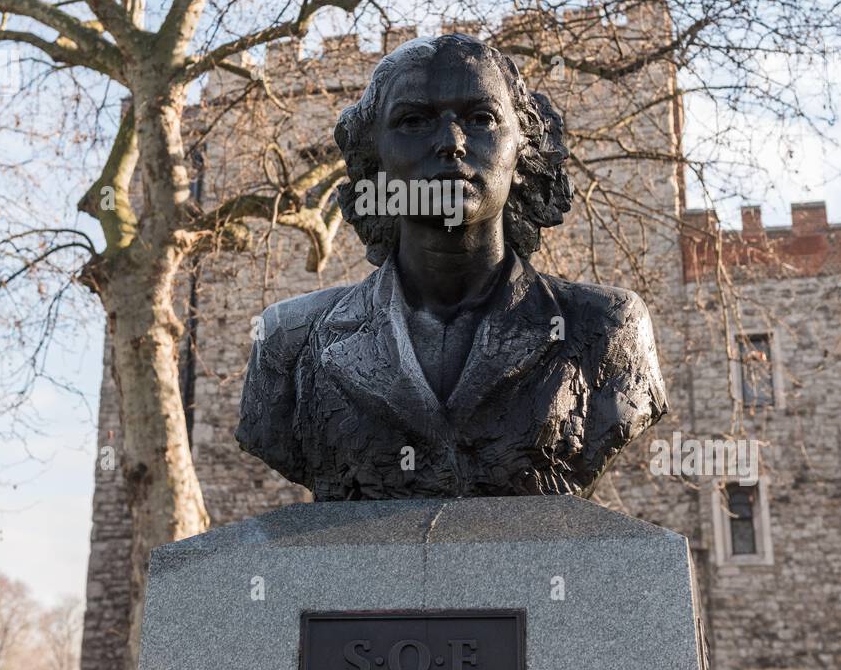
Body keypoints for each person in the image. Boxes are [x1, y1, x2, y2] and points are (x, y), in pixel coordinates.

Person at [236, 33, 667, 498]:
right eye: (414, 121)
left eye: (481, 118)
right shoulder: (288, 341)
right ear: (373, 155)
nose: (451, 143)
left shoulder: (606, 328)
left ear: (521, 150)